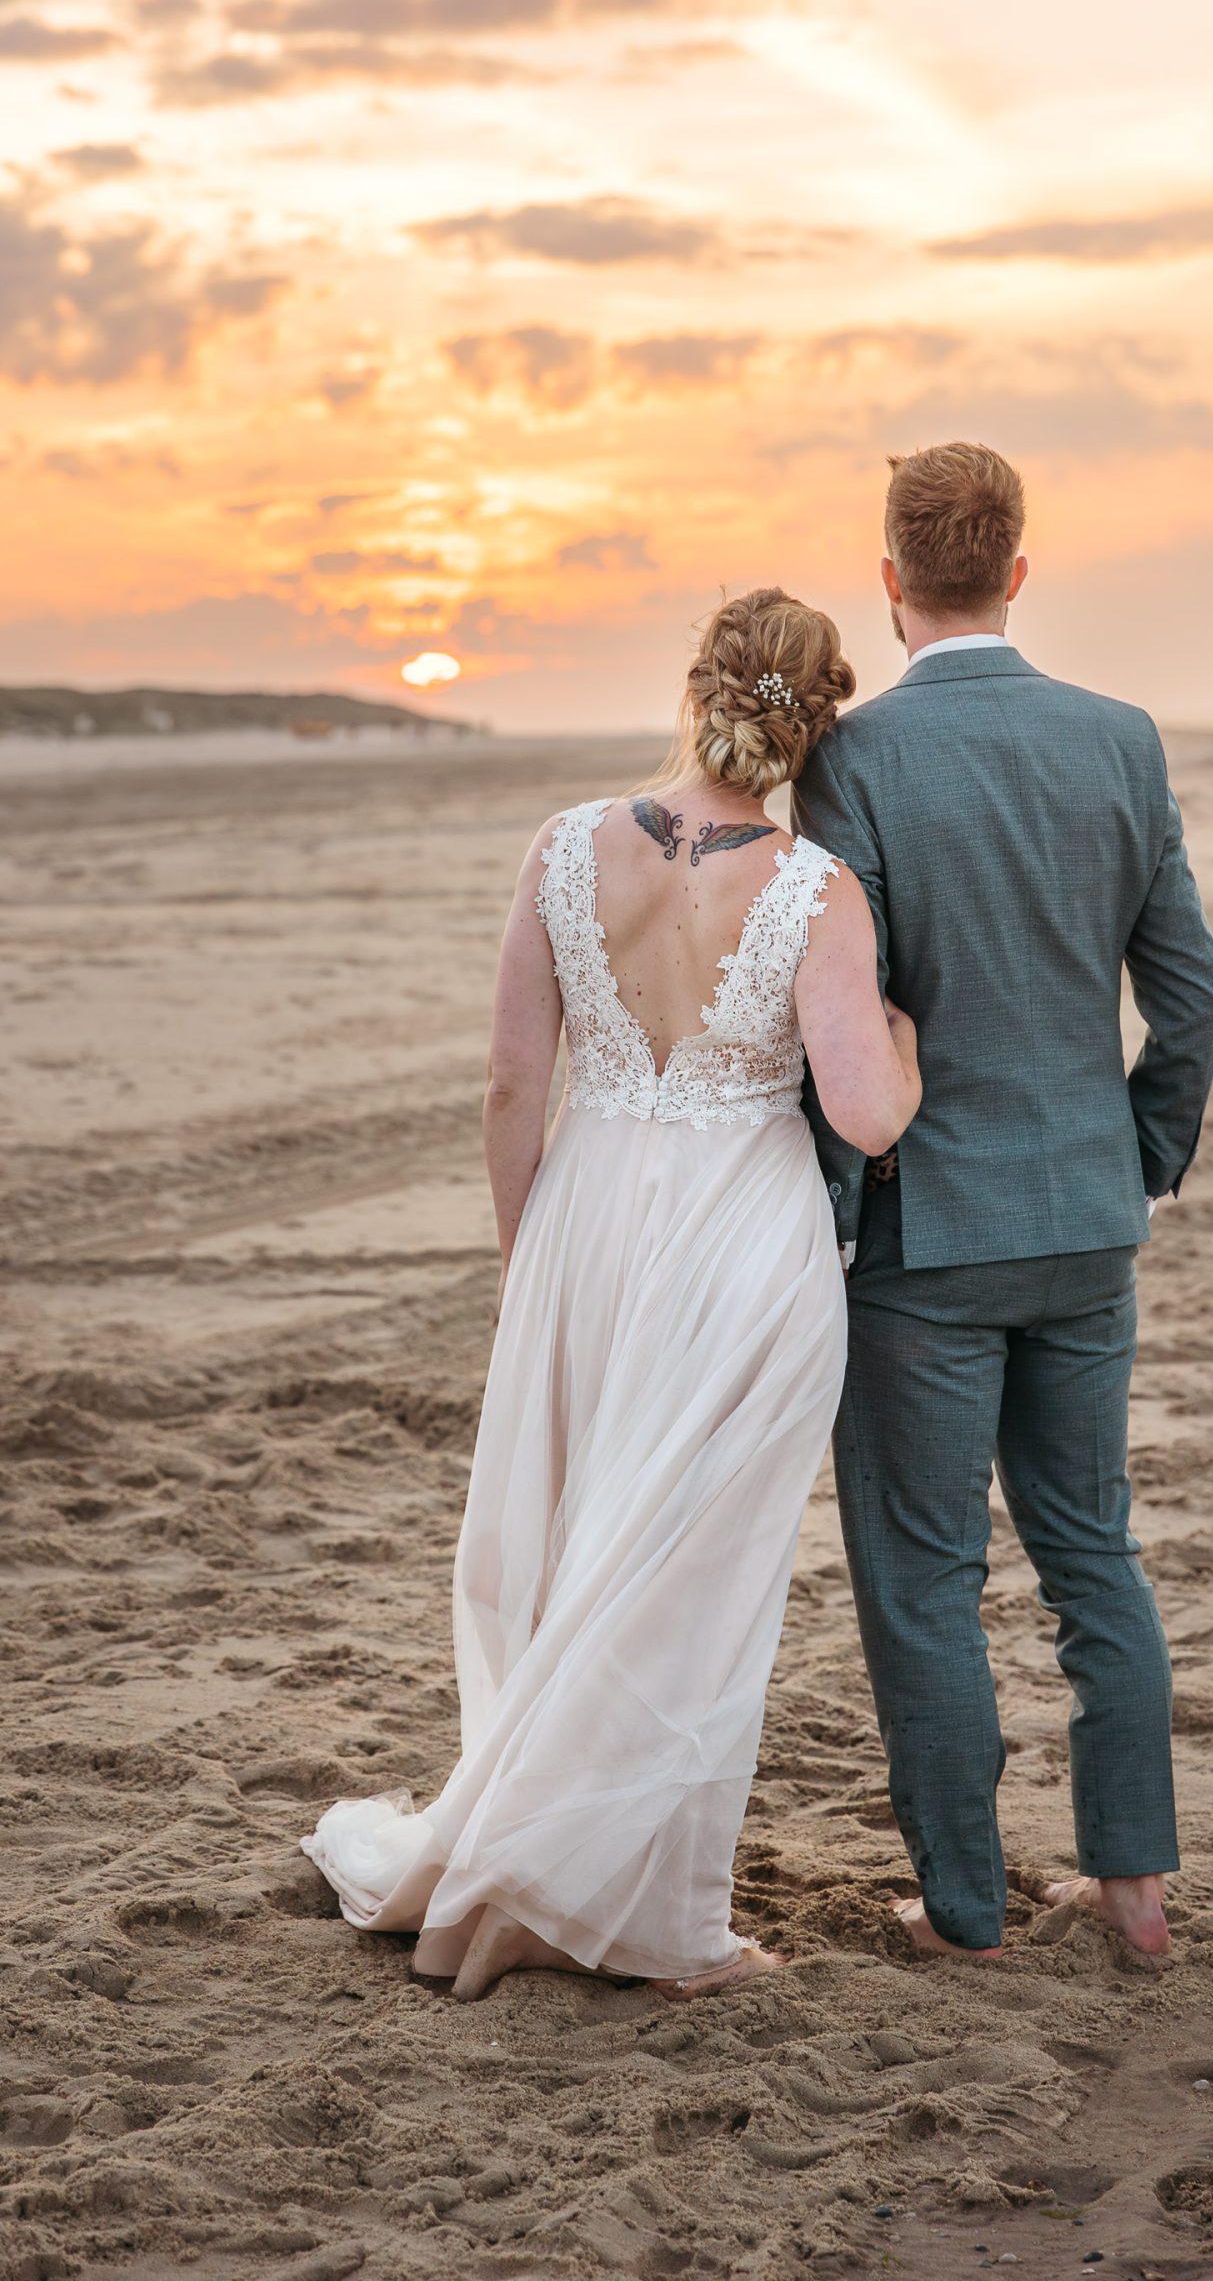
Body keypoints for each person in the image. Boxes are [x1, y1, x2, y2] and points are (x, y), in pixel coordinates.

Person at [301, 589, 921, 1999]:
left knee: (581, 1530)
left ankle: (548, 1846)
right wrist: (900, 1037)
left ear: (695, 685)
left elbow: (516, 1083)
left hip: (586, 1218)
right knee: (695, 1573)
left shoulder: (565, 846)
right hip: (738, 1242)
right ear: (818, 720)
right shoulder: (818, 889)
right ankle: (652, 1916)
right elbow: (869, 1116)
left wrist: (534, 1263)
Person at [793, 440, 1213, 1962]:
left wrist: (839, 1209)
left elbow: (843, 1019)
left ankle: (965, 1909)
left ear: (893, 578)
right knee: (1091, 1549)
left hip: (926, 1239)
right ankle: (1136, 1895)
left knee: (925, 1576)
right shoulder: (1122, 739)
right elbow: (1190, 1003)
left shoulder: (852, 762)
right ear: (1020, 571)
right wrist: (1138, 1160)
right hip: (1087, 1220)